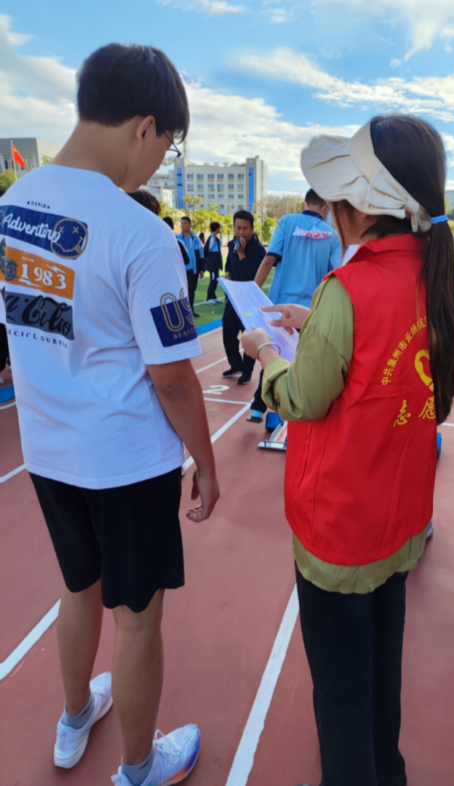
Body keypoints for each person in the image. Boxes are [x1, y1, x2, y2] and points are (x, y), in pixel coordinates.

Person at [0, 43, 220, 786]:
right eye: (168, 146)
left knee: (77, 586)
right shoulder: (139, 232)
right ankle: (138, 767)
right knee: (136, 617)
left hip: (47, 450)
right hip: (126, 461)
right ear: (145, 126)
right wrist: (207, 464)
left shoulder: (11, 208)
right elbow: (173, 379)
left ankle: (73, 720)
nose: (160, 163)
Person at [242, 115, 454, 786]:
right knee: (381, 668)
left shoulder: (349, 288)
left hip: (340, 528)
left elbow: (302, 398)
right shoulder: (431, 276)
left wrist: (266, 354)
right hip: (398, 519)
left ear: (362, 206)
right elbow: (398, 374)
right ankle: (384, 768)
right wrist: (313, 324)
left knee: (339, 691)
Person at [246, 189, 342, 422]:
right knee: (303, 363)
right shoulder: (332, 235)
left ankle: (259, 407)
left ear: (303, 204)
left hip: (278, 307)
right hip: (310, 310)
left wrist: (251, 294)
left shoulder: (287, 222)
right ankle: (284, 417)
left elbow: (268, 259)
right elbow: (338, 274)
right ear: (327, 209)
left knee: (273, 352)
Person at [221, 210, 266, 385]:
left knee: (249, 336)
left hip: (249, 301)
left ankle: (247, 372)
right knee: (228, 333)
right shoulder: (233, 244)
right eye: (238, 228)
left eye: (245, 228)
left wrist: (241, 255)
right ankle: (235, 365)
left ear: (252, 229)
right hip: (233, 298)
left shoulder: (258, 250)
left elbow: (252, 275)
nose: (241, 232)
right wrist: (228, 272)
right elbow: (228, 263)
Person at [176, 216, 204, 318]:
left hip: (193, 270)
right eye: (181, 223)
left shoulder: (196, 238)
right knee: (182, 291)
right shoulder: (177, 238)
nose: (182, 225)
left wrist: (201, 269)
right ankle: (182, 312)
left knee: (191, 290)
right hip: (182, 270)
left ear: (190, 225)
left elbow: (201, 254)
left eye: (185, 223)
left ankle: (191, 310)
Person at [204, 221, 223, 304]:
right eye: (219, 228)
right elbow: (207, 250)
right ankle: (209, 298)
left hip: (216, 264)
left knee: (216, 280)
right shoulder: (211, 239)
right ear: (217, 229)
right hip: (212, 264)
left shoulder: (216, 239)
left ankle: (213, 296)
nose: (219, 229)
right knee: (213, 280)